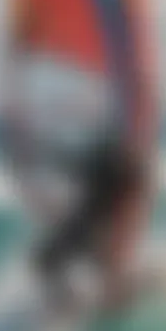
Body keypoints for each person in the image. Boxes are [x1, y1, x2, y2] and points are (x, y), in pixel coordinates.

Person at [32, 132, 143, 314]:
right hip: (89, 224)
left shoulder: (110, 169)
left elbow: (74, 163)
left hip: (93, 227)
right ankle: (71, 299)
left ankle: (86, 299)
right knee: (49, 260)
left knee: (51, 260)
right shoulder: (109, 168)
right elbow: (74, 163)